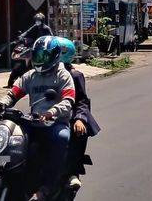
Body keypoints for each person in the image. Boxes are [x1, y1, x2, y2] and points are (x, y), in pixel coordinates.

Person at [0, 36, 76, 201]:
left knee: (62, 137)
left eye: (43, 56)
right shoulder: (30, 75)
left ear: (54, 55)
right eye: (37, 56)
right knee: (10, 142)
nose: (39, 60)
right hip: (32, 122)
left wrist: (51, 112)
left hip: (55, 123)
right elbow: (13, 93)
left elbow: (68, 101)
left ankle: (47, 188)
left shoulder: (63, 75)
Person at [53, 37, 101, 191]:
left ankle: (71, 172)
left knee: (75, 133)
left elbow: (81, 100)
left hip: (69, 115)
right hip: (44, 116)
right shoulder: (42, 73)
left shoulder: (74, 75)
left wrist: (79, 119)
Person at [7, 13, 53, 88]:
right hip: (34, 47)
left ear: (42, 21)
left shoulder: (46, 29)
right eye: (36, 20)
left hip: (43, 49)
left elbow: (51, 38)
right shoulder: (35, 27)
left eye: (39, 20)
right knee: (24, 55)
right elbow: (27, 32)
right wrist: (21, 36)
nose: (37, 22)